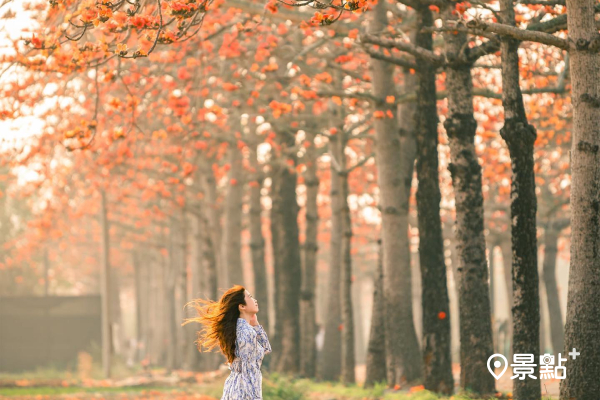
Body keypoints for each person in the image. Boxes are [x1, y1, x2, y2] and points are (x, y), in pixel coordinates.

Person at [183, 285, 272, 400]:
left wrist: (255, 323)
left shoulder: (241, 329)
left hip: (235, 388)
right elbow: (249, 370)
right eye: (250, 297)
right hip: (244, 391)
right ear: (242, 306)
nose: (255, 300)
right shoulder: (246, 332)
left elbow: (265, 349)